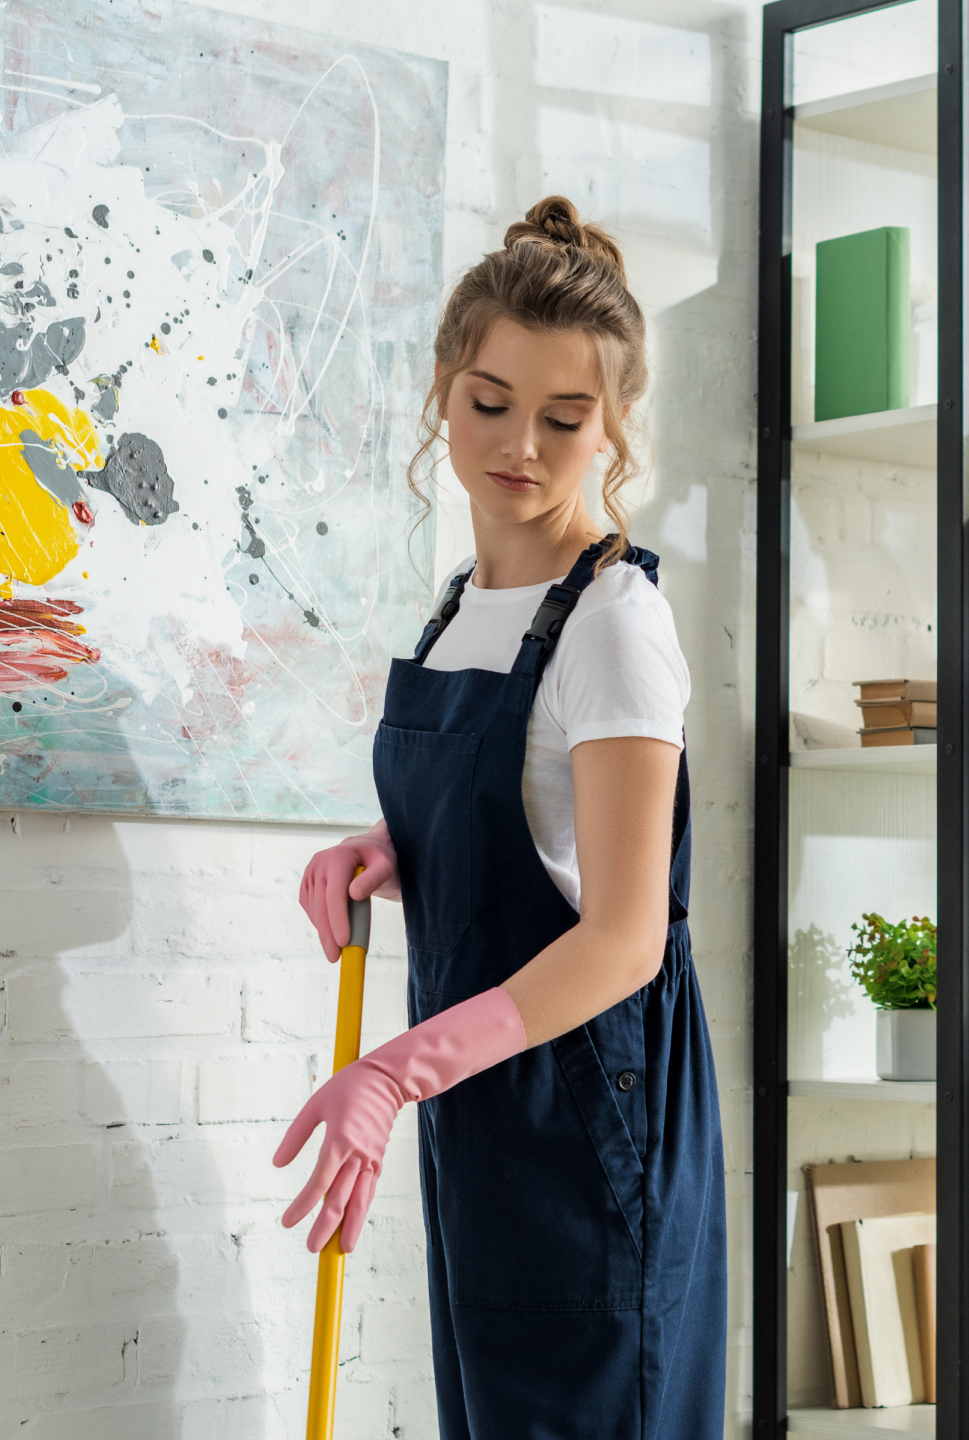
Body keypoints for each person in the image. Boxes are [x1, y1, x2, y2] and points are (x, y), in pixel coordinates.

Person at [277, 196, 721, 1438]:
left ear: (613, 427)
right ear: (443, 390)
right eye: (489, 403)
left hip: (590, 1118)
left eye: (564, 419)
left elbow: (624, 934)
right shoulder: (458, 604)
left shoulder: (613, 622)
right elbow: (535, 841)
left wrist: (391, 1073)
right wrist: (391, 853)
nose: (519, 444)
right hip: (483, 1115)